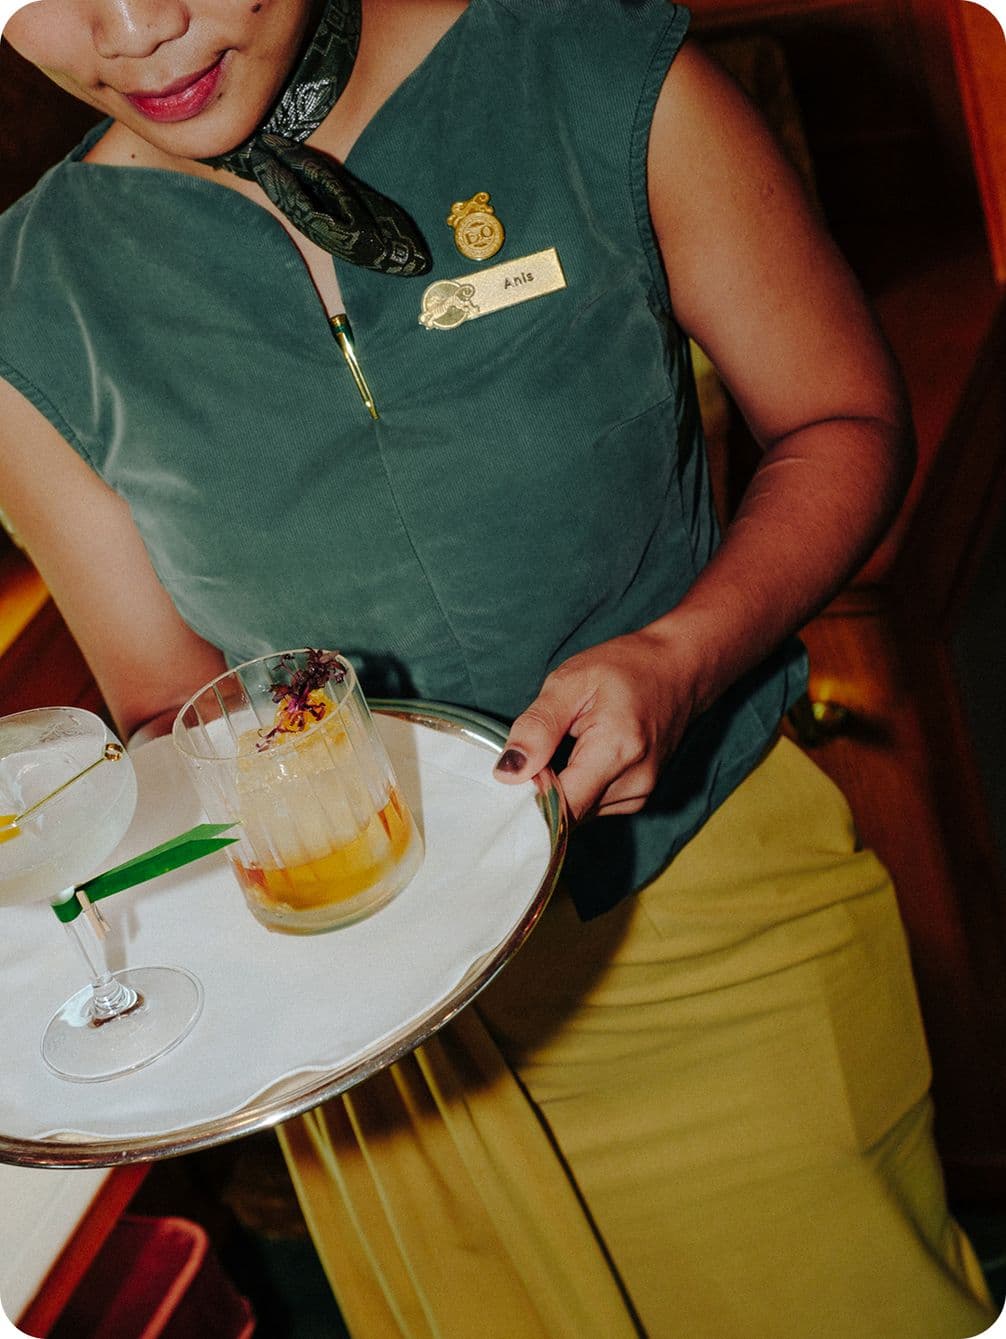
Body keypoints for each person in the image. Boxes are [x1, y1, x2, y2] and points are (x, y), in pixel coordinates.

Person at [0, 1, 997, 1335]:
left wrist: (681, 659)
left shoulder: (590, 72)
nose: (135, 30)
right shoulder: (27, 298)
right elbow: (165, 702)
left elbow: (837, 415)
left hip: (699, 914)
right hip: (359, 1021)